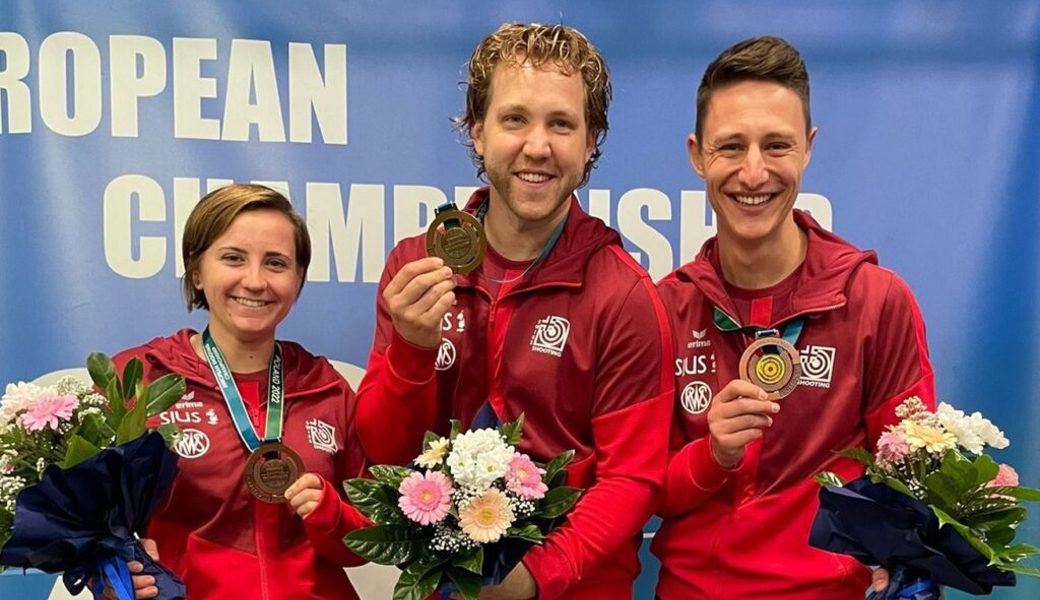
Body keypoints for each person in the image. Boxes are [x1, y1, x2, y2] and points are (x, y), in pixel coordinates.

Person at [354, 23, 673, 600]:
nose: (537, 146)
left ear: (591, 141)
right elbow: (384, 453)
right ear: (478, 131)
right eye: (515, 119)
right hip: (443, 585)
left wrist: (535, 578)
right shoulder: (416, 265)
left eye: (562, 124)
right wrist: (411, 350)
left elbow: (632, 477)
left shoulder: (624, 294)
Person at [651, 36, 936, 599]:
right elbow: (642, 491)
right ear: (697, 154)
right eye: (731, 146)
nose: (754, 172)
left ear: (808, 148)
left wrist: (901, 557)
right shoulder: (664, 308)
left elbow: (913, 472)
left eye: (776, 145)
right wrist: (714, 454)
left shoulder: (876, 301)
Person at [116, 184, 369, 599]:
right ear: (197, 271)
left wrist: (330, 513)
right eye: (233, 258)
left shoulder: (326, 388)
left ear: (298, 280)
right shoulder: (140, 378)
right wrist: (108, 571)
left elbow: (365, 542)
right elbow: (84, 520)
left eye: (276, 263)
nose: (254, 281)